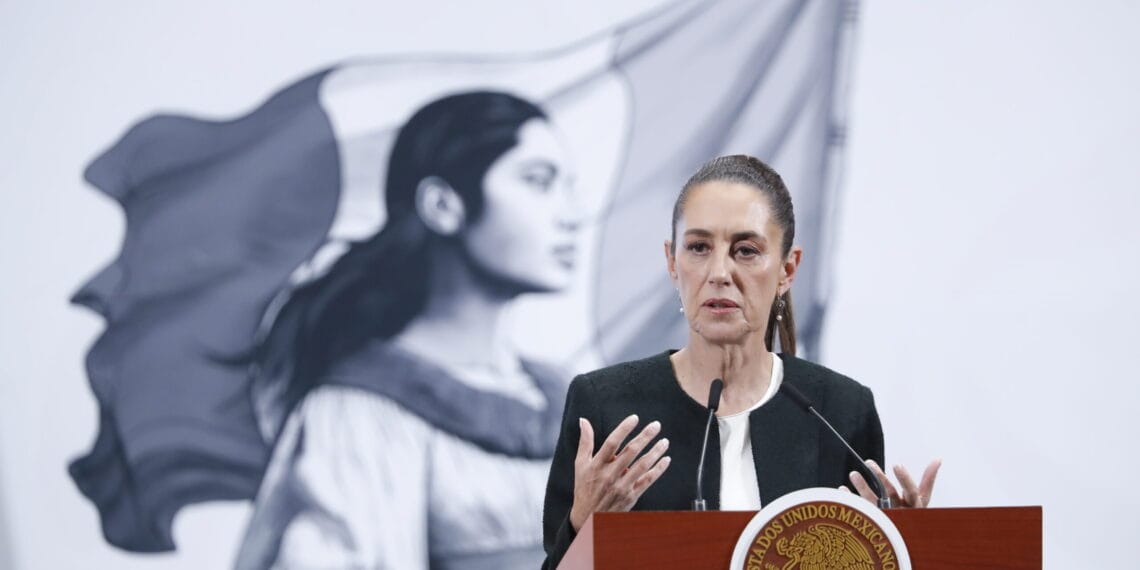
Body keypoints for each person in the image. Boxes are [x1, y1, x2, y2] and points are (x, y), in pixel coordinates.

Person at [541, 155, 941, 569]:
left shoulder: (840, 411)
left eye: (746, 251)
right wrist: (580, 530)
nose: (718, 272)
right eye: (698, 248)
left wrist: (906, 544)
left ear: (787, 269)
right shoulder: (607, 406)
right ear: (671, 262)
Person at [235, 91, 580, 569]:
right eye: (538, 182)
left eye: (568, 186)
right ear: (443, 205)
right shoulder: (359, 414)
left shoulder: (569, 397)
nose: (570, 215)